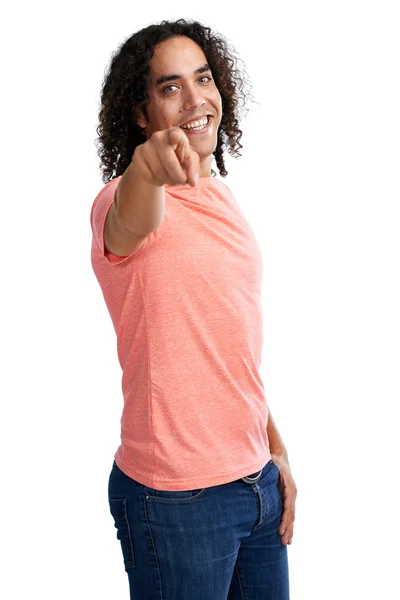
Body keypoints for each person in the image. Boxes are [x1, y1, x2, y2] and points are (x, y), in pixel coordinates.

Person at [90, 18, 297, 600]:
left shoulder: (224, 200)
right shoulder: (122, 199)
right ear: (140, 113)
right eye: (169, 87)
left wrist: (274, 451)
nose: (195, 99)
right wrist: (147, 168)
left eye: (202, 78)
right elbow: (135, 214)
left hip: (256, 488)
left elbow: (229, 349)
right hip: (176, 502)